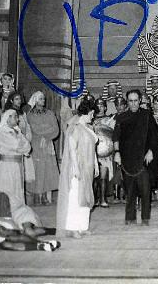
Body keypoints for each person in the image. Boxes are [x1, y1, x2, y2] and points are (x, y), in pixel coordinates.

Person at [113, 89, 158, 225]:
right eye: (131, 101)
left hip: (143, 158)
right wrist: (117, 152)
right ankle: (130, 217)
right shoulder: (121, 117)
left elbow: (154, 136)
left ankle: (145, 217)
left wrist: (152, 151)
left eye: (136, 100)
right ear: (127, 101)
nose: (134, 104)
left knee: (145, 189)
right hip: (127, 157)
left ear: (140, 100)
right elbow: (116, 137)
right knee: (129, 190)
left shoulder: (147, 115)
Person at [56, 97, 99, 238]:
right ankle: (73, 228)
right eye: (92, 114)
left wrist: (96, 165)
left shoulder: (89, 128)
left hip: (89, 166)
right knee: (75, 197)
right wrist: (75, 167)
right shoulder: (75, 128)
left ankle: (82, 226)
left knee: (86, 196)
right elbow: (72, 149)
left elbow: (93, 149)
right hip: (79, 166)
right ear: (87, 112)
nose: (93, 117)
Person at [26, 92, 60, 206]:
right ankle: (37, 196)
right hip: (36, 145)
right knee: (37, 170)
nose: (43, 101)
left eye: (43, 99)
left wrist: (47, 136)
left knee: (48, 170)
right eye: (40, 99)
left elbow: (56, 129)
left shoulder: (50, 113)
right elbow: (35, 129)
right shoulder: (30, 115)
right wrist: (47, 129)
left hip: (48, 144)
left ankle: (45, 196)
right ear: (35, 100)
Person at [0, 109, 32, 208]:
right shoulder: (2, 132)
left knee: (17, 190)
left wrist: (22, 144)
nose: (18, 119)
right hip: (7, 166)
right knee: (8, 189)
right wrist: (21, 145)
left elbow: (28, 146)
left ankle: (18, 212)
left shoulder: (17, 130)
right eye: (15, 116)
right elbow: (17, 145)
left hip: (17, 165)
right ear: (8, 118)